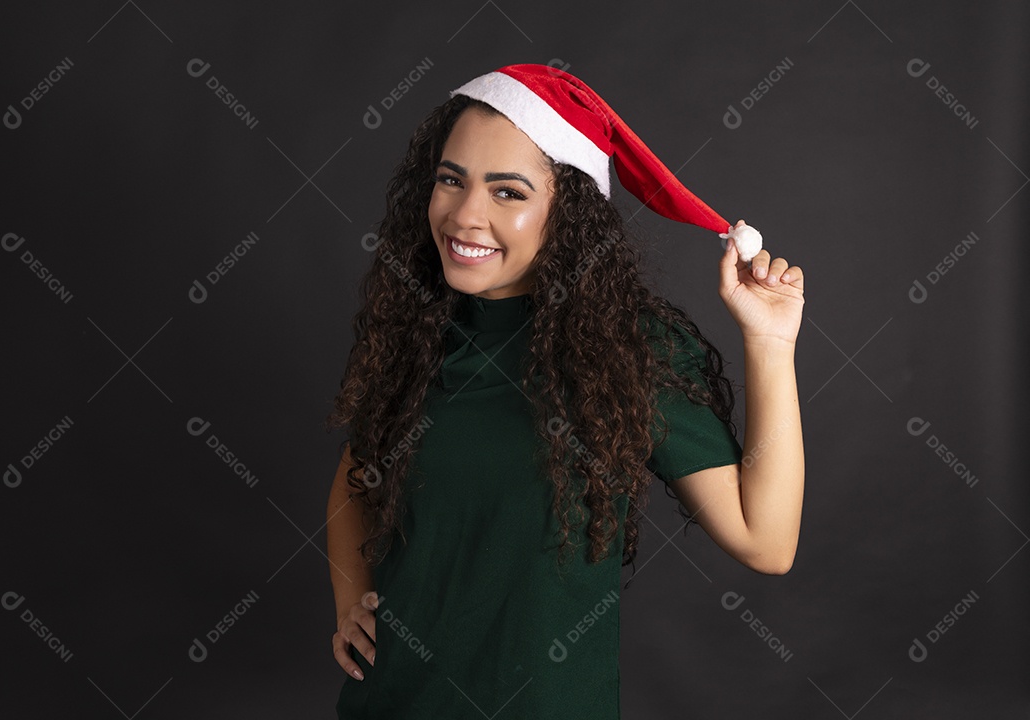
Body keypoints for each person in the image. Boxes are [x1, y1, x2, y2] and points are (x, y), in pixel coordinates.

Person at [325, 63, 805, 719]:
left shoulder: (628, 350)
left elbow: (766, 541)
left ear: (568, 212)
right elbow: (356, 475)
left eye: (508, 193)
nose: (465, 215)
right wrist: (352, 599)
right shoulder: (415, 332)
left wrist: (771, 346)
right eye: (450, 180)